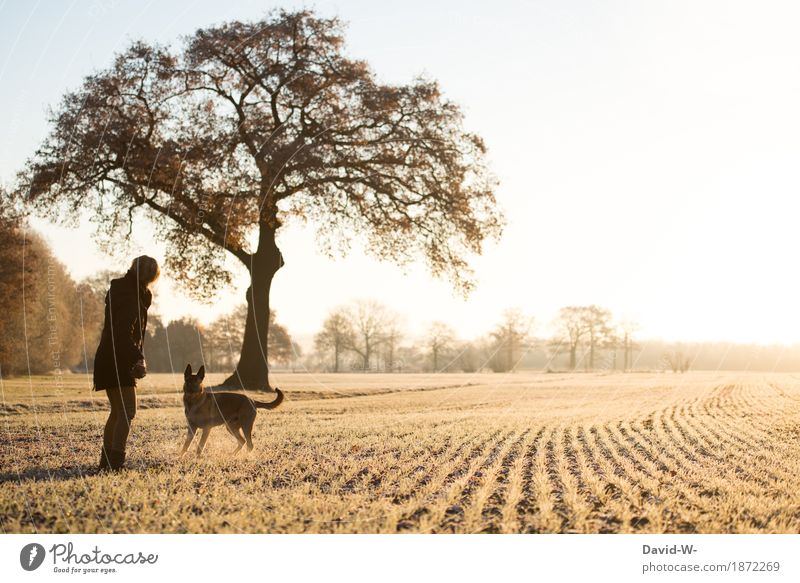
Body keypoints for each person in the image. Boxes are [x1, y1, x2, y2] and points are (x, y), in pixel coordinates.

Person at [93, 255, 159, 471]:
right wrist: (137, 358)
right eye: (149, 270)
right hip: (117, 357)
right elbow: (122, 333)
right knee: (127, 411)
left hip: (109, 355)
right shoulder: (129, 293)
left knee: (118, 411)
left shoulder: (130, 291)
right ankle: (115, 463)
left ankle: (107, 462)